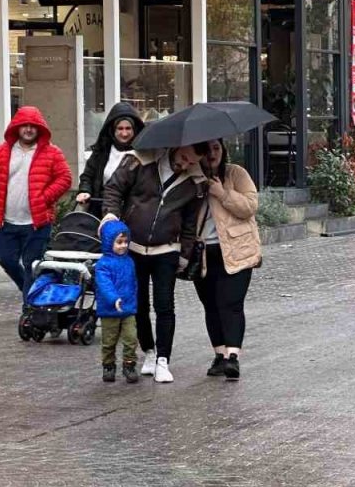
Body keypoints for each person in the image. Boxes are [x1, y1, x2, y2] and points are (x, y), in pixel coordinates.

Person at [103, 145, 206, 384]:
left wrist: (184, 254)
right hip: (133, 246)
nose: (185, 165)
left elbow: (190, 222)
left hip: (167, 249)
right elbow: (114, 189)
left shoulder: (193, 182)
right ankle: (148, 351)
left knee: (164, 305)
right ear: (175, 147)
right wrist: (110, 216)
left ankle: (163, 360)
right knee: (138, 304)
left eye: (192, 162)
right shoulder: (140, 162)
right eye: (183, 158)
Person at [0, 106, 73, 294]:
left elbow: (65, 178)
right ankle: (29, 290)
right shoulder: (2, 152)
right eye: (24, 125)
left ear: (40, 128)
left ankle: (29, 312)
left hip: (37, 222)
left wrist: (44, 198)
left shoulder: (52, 152)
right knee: (6, 260)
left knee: (32, 264)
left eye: (33, 126)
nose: (28, 129)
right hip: (7, 222)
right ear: (16, 127)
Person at [192, 139, 261, 381]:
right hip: (203, 252)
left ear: (223, 149)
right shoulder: (192, 177)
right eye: (206, 150)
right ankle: (219, 355)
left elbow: (250, 206)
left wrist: (222, 193)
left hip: (236, 249)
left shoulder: (236, 174)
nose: (212, 154)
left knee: (230, 303)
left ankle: (233, 357)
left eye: (216, 149)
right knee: (210, 304)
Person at [77, 103, 144, 218]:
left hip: (132, 214)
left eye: (128, 128)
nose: (124, 133)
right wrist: (85, 191)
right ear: (113, 129)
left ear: (135, 129)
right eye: (120, 128)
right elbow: (88, 176)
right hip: (100, 210)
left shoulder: (143, 153)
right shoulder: (102, 151)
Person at [95, 219, 139, 384]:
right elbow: (104, 285)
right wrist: (114, 299)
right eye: (119, 242)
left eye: (125, 242)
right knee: (109, 341)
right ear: (109, 242)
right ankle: (108, 365)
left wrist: (133, 301)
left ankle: (129, 364)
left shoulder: (129, 261)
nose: (123, 246)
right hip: (109, 309)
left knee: (131, 338)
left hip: (127, 308)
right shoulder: (103, 265)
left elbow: (133, 283)